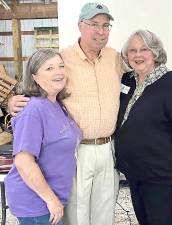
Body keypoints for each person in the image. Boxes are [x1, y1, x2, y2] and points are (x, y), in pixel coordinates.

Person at [8, 2, 124, 225]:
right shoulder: (62, 59)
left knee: (105, 211)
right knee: (77, 213)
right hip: (76, 149)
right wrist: (12, 101)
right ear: (80, 26)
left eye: (105, 26)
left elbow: (143, 69)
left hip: (108, 147)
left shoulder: (116, 59)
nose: (101, 31)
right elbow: (38, 82)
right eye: (94, 24)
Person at [114, 29, 172, 225]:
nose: (138, 55)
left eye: (144, 49)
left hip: (164, 180)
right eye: (132, 50)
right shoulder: (129, 80)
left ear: (155, 53)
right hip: (136, 176)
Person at [4, 49, 81, 225]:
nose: (59, 72)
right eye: (49, 68)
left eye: (61, 66)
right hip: (36, 202)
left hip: (51, 198)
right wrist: (51, 200)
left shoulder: (56, 103)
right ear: (35, 77)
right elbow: (24, 162)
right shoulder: (32, 110)